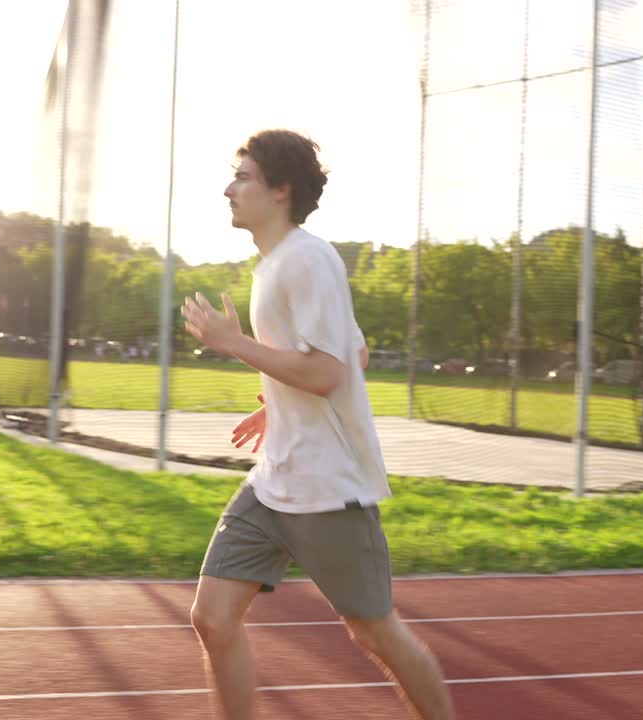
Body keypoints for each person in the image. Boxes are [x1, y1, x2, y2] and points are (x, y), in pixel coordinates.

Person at [181, 129, 456, 720]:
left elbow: (330, 372)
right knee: (212, 616)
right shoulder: (275, 265)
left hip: (328, 488)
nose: (229, 189)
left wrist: (237, 346)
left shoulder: (309, 259)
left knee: (373, 633)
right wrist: (275, 402)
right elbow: (350, 355)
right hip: (276, 477)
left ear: (280, 190)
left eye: (243, 177)